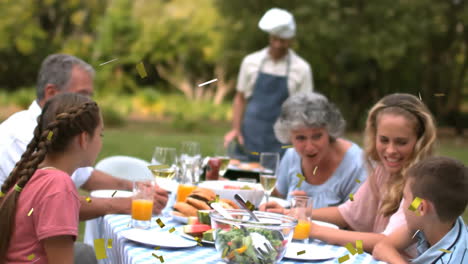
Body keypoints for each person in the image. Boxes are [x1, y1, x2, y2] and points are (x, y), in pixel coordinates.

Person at [262, 93, 437, 253]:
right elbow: (347, 213)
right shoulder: (383, 173)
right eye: (384, 140)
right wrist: (293, 213)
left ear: (420, 141)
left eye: (401, 142)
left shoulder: (421, 190)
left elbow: (387, 241)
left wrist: (314, 229)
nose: (390, 150)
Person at [0, 54, 168, 220]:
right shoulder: (21, 135)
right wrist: (129, 203)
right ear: (51, 93)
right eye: (83, 94)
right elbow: (50, 206)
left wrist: (135, 187)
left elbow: (86, 176)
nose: (90, 103)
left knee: (101, 247)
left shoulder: (52, 132)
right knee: (94, 248)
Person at [0, 93, 101, 263]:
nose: (101, 141)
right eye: (101, 134)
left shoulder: (31, 173)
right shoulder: (59, 187)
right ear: (84, 139)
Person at [224, 7, 313, 162]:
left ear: (291, 40)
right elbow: (240, 99)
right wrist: (236, 130)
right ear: (269, 37)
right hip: (249, 138)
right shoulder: (250, 61)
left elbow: (304, 110)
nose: (278, 44)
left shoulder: (302, 68)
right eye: (275, 39)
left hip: (281, 143)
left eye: (283, 41)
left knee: (274, 184)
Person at [268, 92, 367, 208]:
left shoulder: (357, 165)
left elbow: (356, 218)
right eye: (300, 138)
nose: (309, 147)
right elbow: (279, 196)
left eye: (317, 136)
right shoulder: (292, 155)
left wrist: (305, 213)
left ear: (329, 130)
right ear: (289, 136)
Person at [372, 156, 467, 264]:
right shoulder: (437, 222)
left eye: (405, 197)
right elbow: (381, 247)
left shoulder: (451, 260)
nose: (402, 206)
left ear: (421, 207)